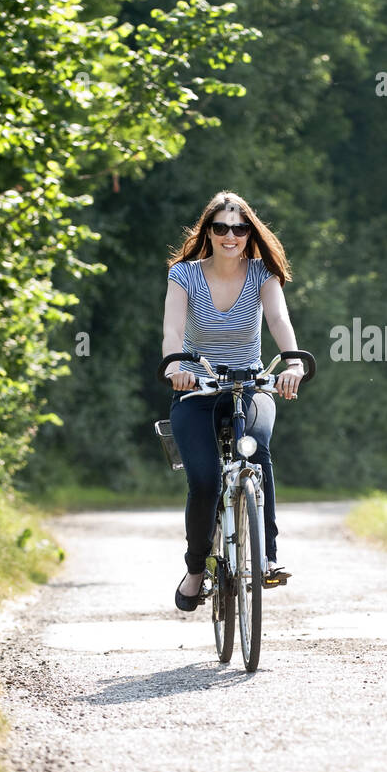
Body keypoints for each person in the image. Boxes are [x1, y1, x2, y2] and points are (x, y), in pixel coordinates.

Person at [161, 191, 305, 613]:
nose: (231, 236)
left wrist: (292, 363)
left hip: (250, 385)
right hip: (197, 388)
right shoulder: (183, 275)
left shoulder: (263, 273)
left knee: (256, 452)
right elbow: (172, 331)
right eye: (221, 227)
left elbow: (279, 319)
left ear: (250, 234)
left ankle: (266, 557)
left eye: (240, 229)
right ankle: (195, 569)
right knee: (204, 480)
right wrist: (175, 369)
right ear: (208, 231)